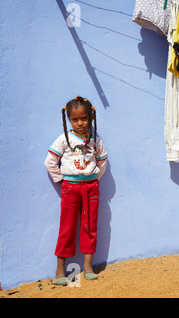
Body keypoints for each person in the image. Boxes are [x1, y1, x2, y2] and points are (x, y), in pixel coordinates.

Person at [44, 96, 108, 286]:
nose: (80, 123)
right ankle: (60, 270)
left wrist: (93, 179)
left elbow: (102, 161)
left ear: (91, 117)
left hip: (91, 189)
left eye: (84, 118)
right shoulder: (64, 139)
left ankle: (88, 267)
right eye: (75, 119)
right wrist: (63, 181)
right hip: (70, 189)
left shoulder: (95, 140)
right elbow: (50, 162)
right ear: (68, 120)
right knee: (67, 228)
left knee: (90, 226)